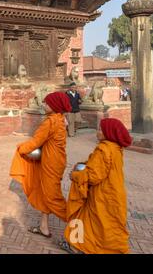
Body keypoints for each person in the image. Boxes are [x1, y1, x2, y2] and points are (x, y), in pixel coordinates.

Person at [60, 118, 132, 254]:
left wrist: (74, 175)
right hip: (114, 193)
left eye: (100, 130)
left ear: (108, 133)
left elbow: (93, 176)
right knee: (109, 225)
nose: (97, 132)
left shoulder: (104, 149)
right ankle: (82, 245)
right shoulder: (116, 148)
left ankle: (84, 246)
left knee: (93, 221)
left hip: (103, 195)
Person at [10, 92, 72, 238]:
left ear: (55, 106)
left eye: (46, 103)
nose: (44, 105)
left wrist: (20, 148)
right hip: (55, 161)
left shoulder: (51, 122)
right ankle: (44, 227)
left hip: (51, 163)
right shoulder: (60, 119)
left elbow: (35, 142)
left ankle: (80, 225)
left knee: (53, 198)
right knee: (45, 193)